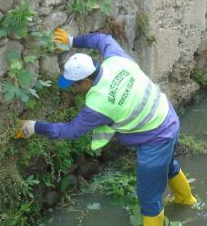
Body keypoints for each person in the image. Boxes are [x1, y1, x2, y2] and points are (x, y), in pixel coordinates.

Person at [15, 28, 197, 226]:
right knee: (168, 166)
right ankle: (186, 202)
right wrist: (71, 40)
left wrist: (34, 127)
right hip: (168, 117)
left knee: (149, 198)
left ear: (85, 82)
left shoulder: (98, 104)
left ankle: (166, 213)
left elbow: (69, 131)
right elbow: (102, 38)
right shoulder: (116, 59)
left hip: (155, 140)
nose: (72, 89)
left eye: (73, 85)